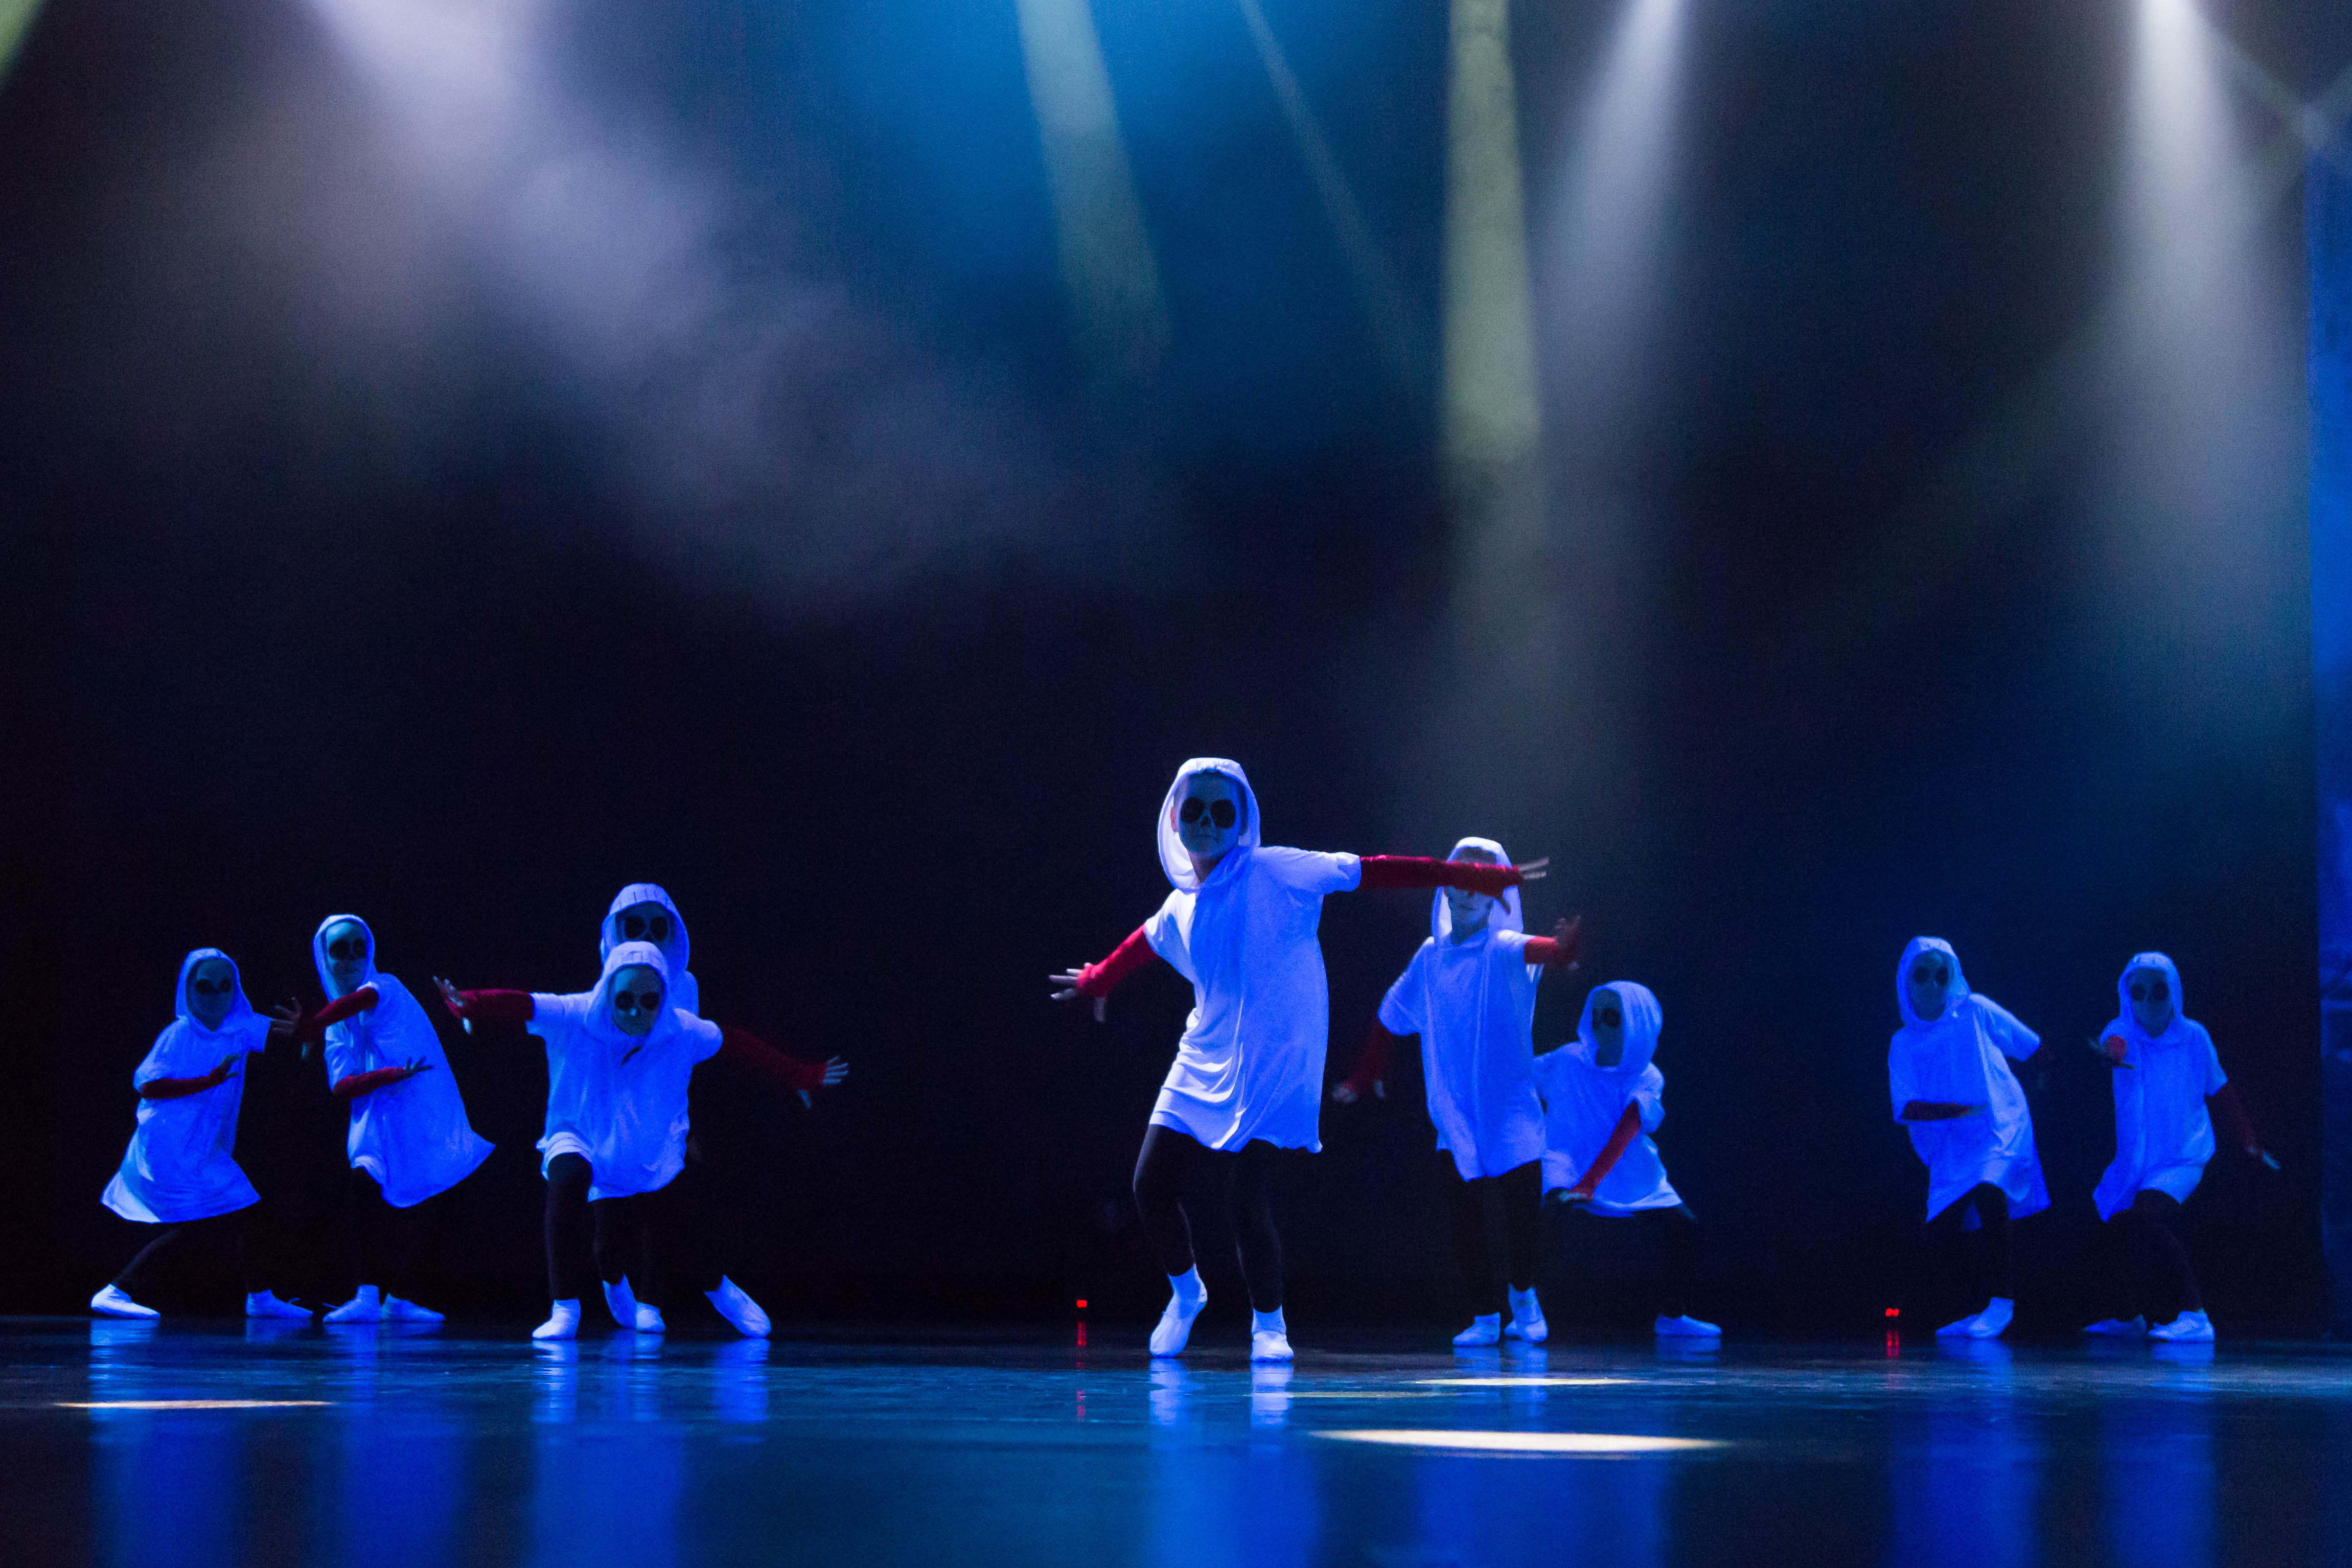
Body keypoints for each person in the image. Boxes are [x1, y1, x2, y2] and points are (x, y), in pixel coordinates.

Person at [1050, 758, 1542, 1362]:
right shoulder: (1182, 904)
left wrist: (1466, 874)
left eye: (1222, 811)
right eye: (1195, 809)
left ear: (1242, 822)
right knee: (1149, 1183)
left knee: (1244, 1196)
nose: (1207, 822)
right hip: (1203, 1051)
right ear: (1175, 816)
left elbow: (1373, 870)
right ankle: (1186, 1292)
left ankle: (1269, 1323)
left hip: (1275, 1059)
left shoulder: (1277, 869)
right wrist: (1098, 977)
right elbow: (1143, 942)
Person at [442, 925, 833, 1341]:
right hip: (581, 1135)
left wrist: (799, 1075)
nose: (634, 1014)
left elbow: (738, 1043)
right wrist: (470, 1004)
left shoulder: (683, 1030)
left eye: (649, 1002)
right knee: (570, 1181)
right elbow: (523, 1004)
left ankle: (720, 1292)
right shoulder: (577, 1015)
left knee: (676, 1232)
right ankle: (565, 1307)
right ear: (609, 993)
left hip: (648, 1148)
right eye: (624, 1001)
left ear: (663, 998)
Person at [1330, 836, 1581, 1346]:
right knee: (1466, 1219)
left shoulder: (1504, 949)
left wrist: (1565, 949)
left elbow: (1546, 952)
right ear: (1444, 889)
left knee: (1522, 1218)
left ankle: (1523, 1295)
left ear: (1495, 897)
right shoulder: (1430, 958)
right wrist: (1364, 1073)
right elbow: (1391, 1013)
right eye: (1459, 881)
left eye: (1480, 884)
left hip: (1510, 1109)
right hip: (1454, 1113)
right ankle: (1485, 1315)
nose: (1467, 893)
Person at [290, 915, 493, 1325]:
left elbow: (360, 1001)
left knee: (432, 1198)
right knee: (364, 1188)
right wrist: (388, 1075)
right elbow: (340, 1086)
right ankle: (367, 1296)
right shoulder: (336, 1030)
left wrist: (316, 1021)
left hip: (418, 1111)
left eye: (358, 948)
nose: (351, 958)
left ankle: (399, 1297)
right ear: (325, 958)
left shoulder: (386, 986)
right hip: (374, 1119)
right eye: (340, 950)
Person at [92, 949, 309, 1320]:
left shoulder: (238, 1028)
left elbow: (288, 1036)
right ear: (189, 991)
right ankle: (117, 1290)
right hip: (168, 1146)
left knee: (240, 1213)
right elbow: (148, 1085)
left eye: (225, 987)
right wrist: (208, 1081)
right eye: (205, 987)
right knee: (211, 1222)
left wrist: (306, 1028)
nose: (215, 996)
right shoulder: (178, 1034)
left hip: (201, 1149)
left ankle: (259, 1297)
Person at [2083, 952, 2268, 1344]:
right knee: (2119, 1227)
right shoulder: (2121, 1029)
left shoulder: (2194, 1037)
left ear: (2173, 992)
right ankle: (2129, 1316)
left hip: (2183, 1155)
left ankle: (2195, 1316)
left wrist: (2248, 1139)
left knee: (2150, 1216)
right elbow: (2115, 1044)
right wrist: (2112, 1055)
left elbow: (2220, 1089)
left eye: (2158, 991)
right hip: (2136, 1158)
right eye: (2139, 992)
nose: (2148, 1000)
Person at [1534, 982, 1718, 1337]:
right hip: (1567, 1160)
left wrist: (1590, 1184)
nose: (1599, 1026)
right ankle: (1528, 1309)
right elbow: (1520, 1077)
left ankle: (1671, 1316)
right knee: (1552, 1213)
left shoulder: (1646, 1077)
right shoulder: (1568, 1059)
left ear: (1637, 1023)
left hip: (1628, 1169)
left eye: (1612, 1017)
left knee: (1683, 1226)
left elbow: (1626, 1131)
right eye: (1596, 1016)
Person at [1888, 937, 2047, 1340]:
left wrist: (2045, 1081)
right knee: (1941, 1234)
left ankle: (2002, 1303)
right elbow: (1906, 1108)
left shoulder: (1976, 1010)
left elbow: (2031, 1046)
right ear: (1907, 980)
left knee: (1991, 1195)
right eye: (1922, 974)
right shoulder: (1903, 1042)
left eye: (1942, 974)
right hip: (1951, 1148)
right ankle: (1970, 1307)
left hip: (2000, 1126)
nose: (1933, 983)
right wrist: (1955, 1111)